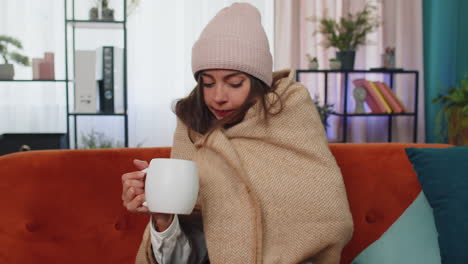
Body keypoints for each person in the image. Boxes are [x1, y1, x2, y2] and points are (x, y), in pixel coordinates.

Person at [121, 3, 353, 264]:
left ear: (258, 83)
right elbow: (187, 257)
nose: (218, 97)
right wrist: (163, 217)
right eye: (207, 83)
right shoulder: (192, 127)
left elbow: (332, 219)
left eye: (234, 83)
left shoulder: (291, 116)